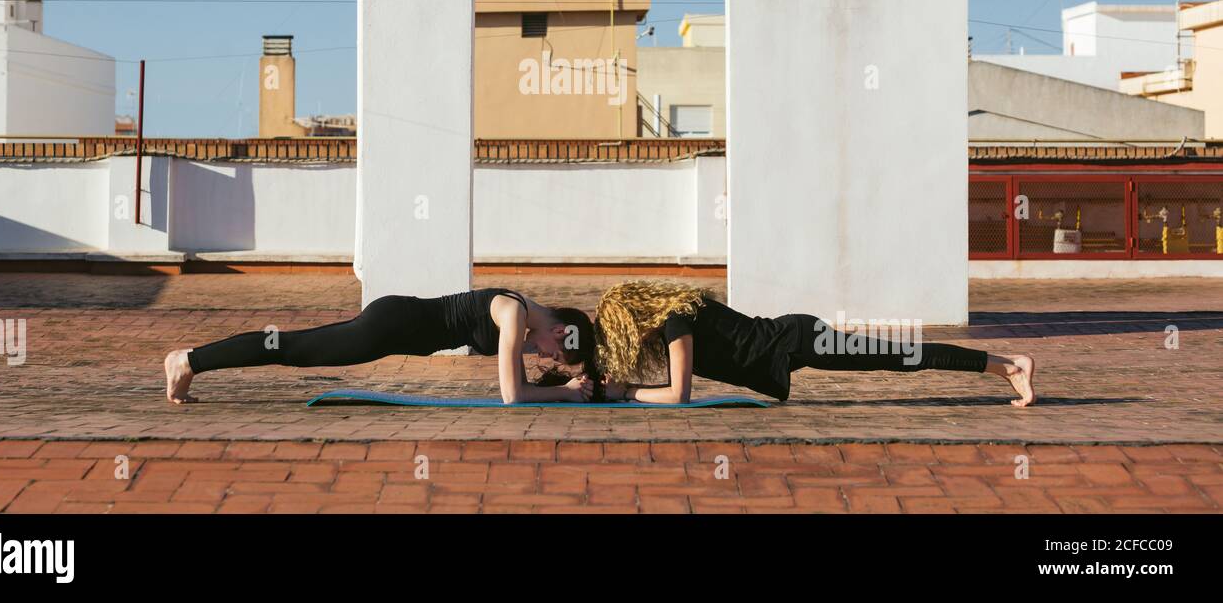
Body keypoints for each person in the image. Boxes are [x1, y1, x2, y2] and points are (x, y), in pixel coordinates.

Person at [589, 281, 1036, 407]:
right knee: (900, 358)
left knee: (902, 356)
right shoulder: (676, 317)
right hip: (790, 343)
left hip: (799, 341)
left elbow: (678, 396)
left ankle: (1010, 365)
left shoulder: (676, 322)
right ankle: (1005, 365)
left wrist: (625, 392)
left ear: (633, 318)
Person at [164, 288, 595, 405]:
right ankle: (188, 360)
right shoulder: (512, 314)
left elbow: (522, 383)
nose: (543, 359)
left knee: (294, 348)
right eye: (553, 353)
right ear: (558, 332)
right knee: (291, 348)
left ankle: (193, 361)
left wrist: (593, 379)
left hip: (394, 328)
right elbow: (512, 395)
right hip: (390, 326)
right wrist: (565, 392)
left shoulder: (520, 322)